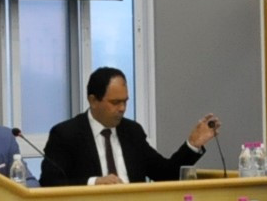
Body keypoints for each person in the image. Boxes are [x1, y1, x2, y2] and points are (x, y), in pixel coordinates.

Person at [38, 67, 220, 187]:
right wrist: (94, 182)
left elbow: (165, 174)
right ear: (93, 100)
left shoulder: (132, 132)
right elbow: (49, 182)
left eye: (125, 102)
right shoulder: (66, 134)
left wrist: (193, 144)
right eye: (115, 102)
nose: (122, 108)